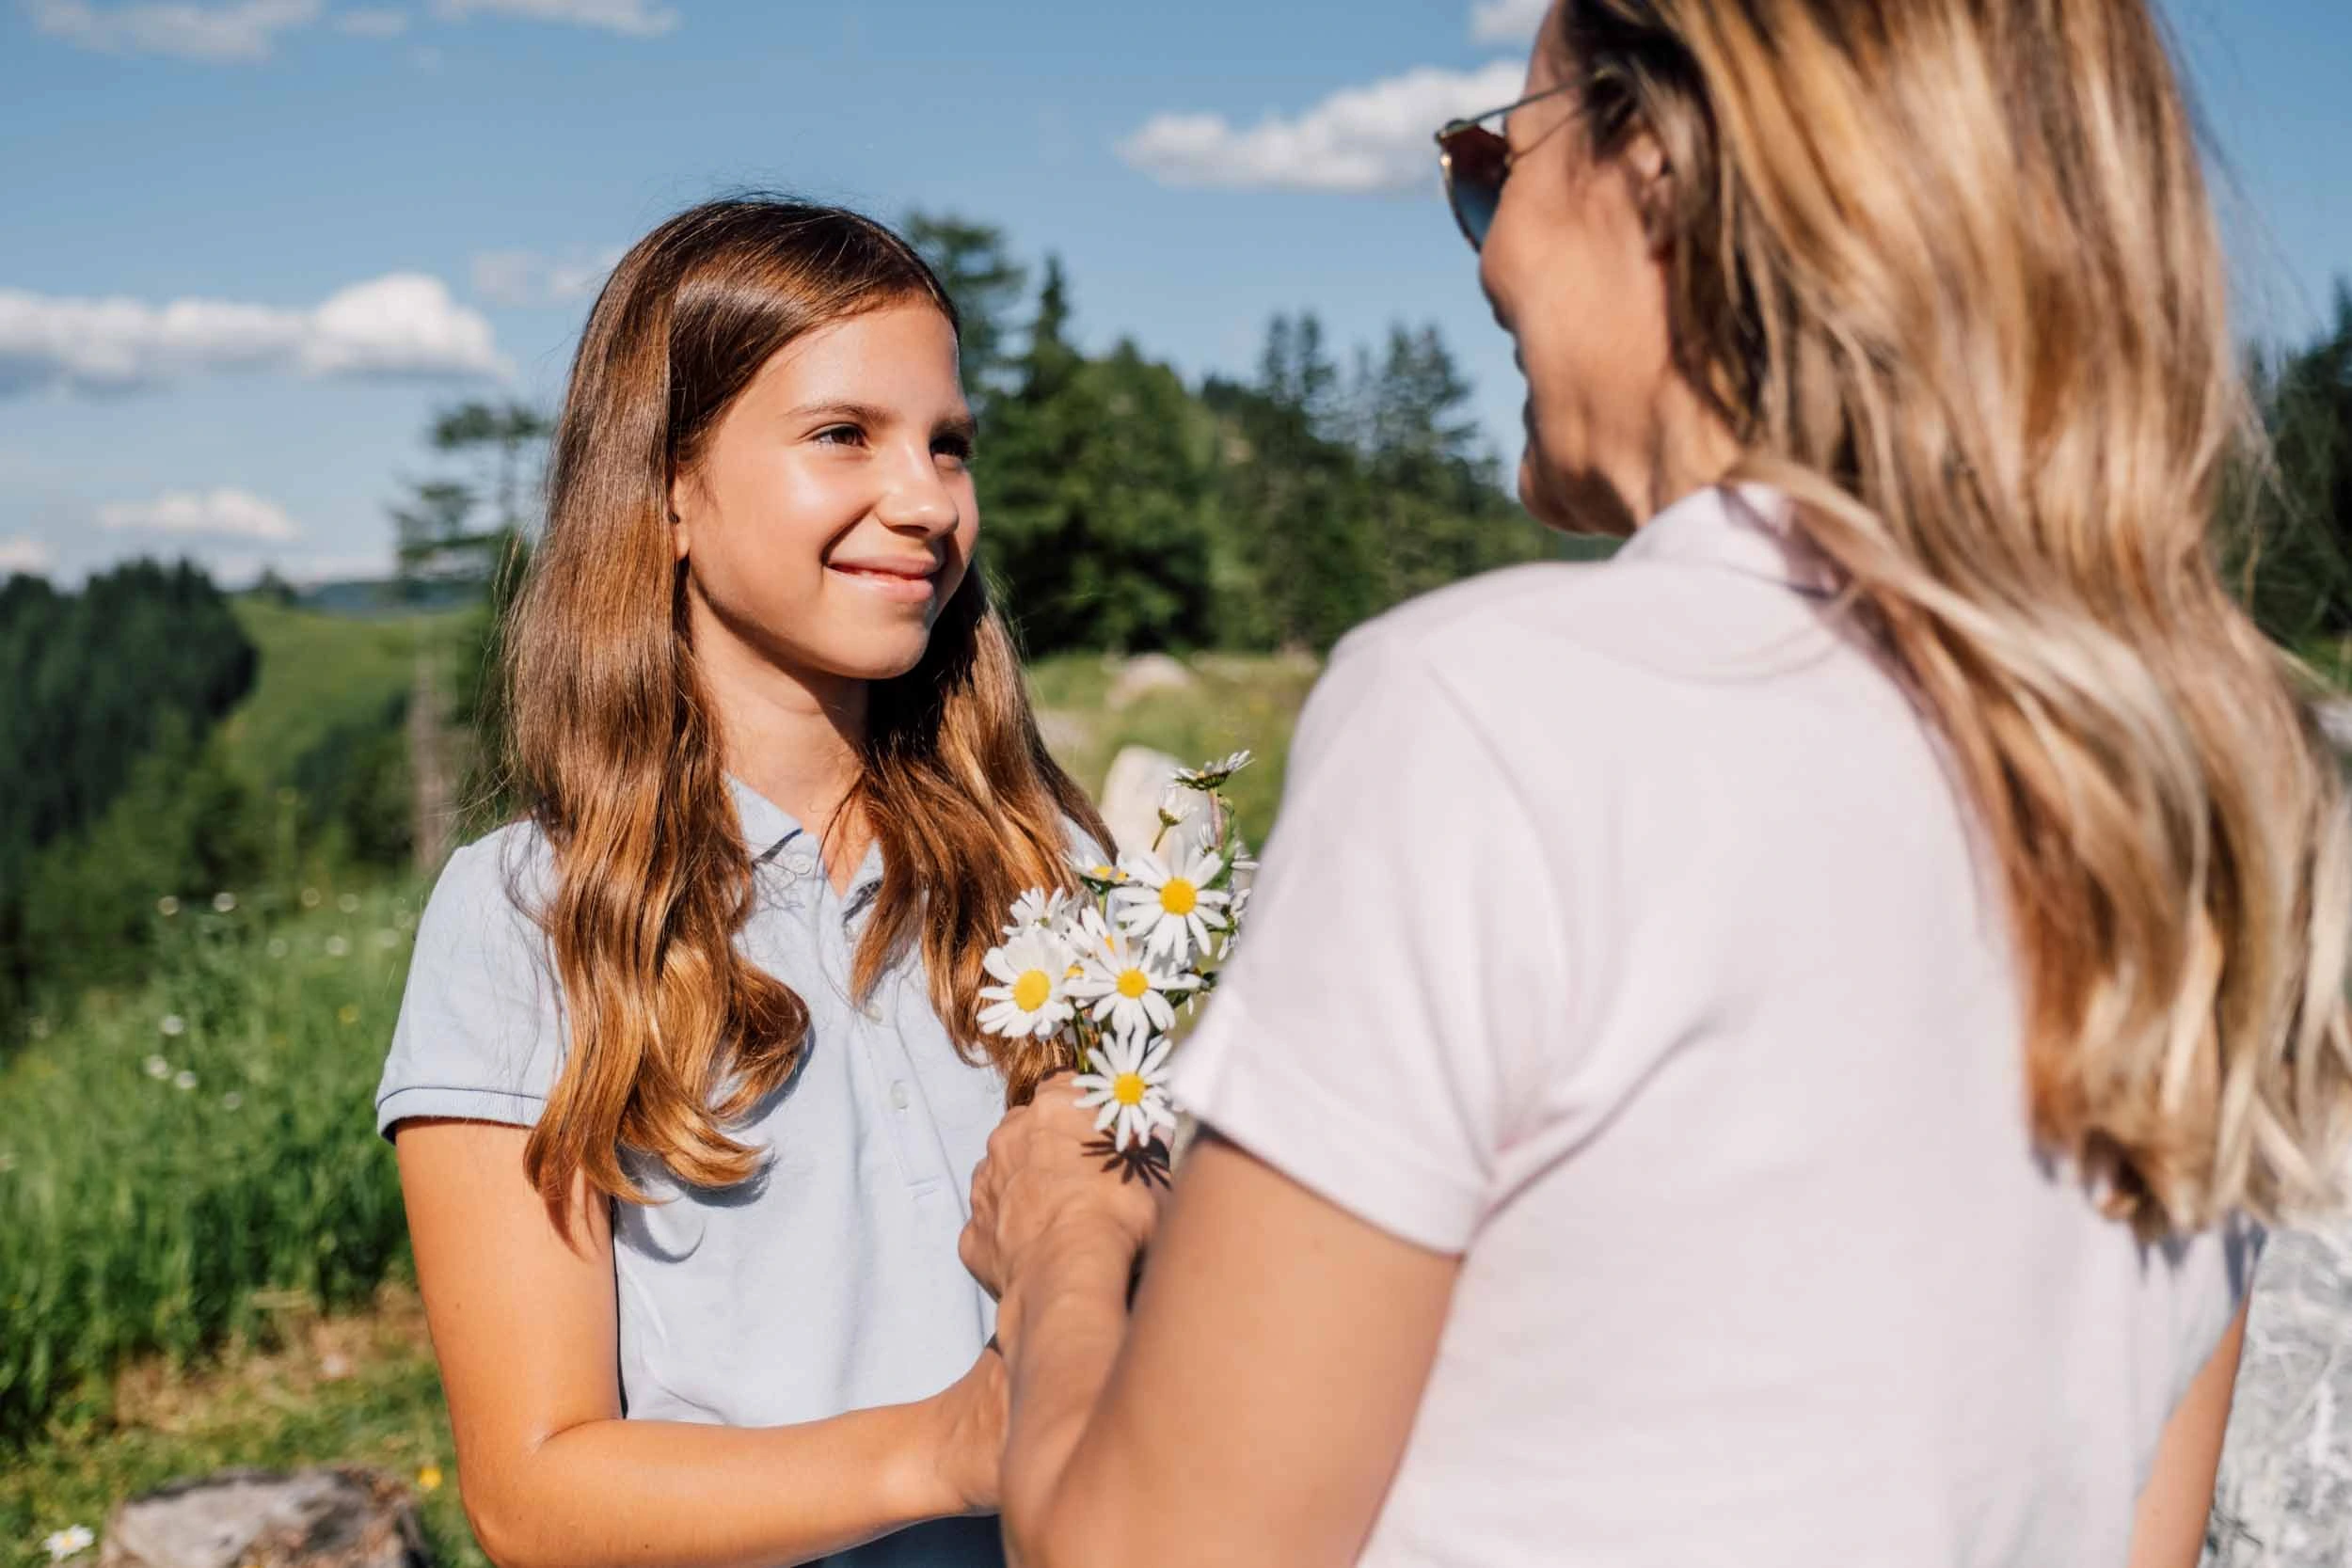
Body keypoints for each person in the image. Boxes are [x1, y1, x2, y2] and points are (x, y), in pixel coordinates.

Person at [959, 4, 2352, 1565]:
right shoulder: (2211, 806)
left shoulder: (1484, 719)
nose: (1480, 249)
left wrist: (1065, 1246)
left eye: (1495, 159)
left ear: (1664, 166)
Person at [375, 198, 1108, 1568]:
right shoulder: (534, 916)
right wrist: (945, 1444)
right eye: (845, 435)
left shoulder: (1050, 864)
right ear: (665, 487)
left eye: (949, 445)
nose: (926, 499)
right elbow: (532, 1495)